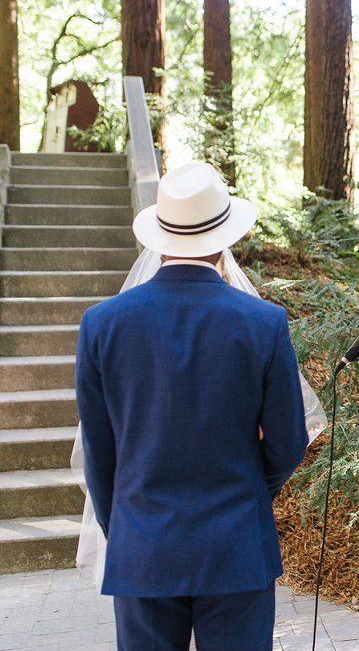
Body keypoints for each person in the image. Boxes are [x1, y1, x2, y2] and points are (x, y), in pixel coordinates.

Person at [75, 162, 310, 649]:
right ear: (224, 238)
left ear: (160, 237)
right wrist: (246, 492)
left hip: (142, 545)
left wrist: (126, 525)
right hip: (236, 544)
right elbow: (289, 442)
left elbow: (99, 454)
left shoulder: (102, 324)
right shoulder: (263, 322)